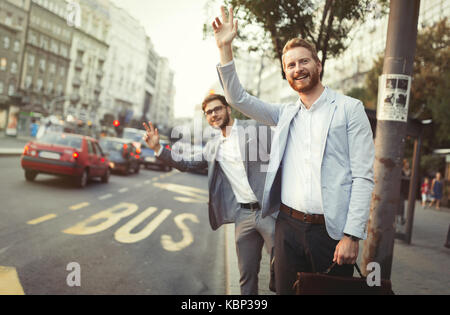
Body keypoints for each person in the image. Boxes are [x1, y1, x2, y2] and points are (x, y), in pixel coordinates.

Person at [212, 6, 375, 294]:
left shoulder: (350, 109)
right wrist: (225, 48)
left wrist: (352, 235)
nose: (298, 69)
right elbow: (237, 98)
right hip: (286, 228)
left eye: (304, 62)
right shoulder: (284, 114)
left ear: (318, 64)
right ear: (285, 73)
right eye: (290, 65)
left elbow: (363, 177)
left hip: (332, 232)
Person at [143, 93, 275, 295]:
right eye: (209, 113)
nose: (214, 114)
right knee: (246, 276)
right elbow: (186, 162)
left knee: (282, 272)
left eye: (217, 109)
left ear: (228, 109)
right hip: (243, 216)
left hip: (270, 212)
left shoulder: (255, 128)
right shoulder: (213, 147)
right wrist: (159, 148)